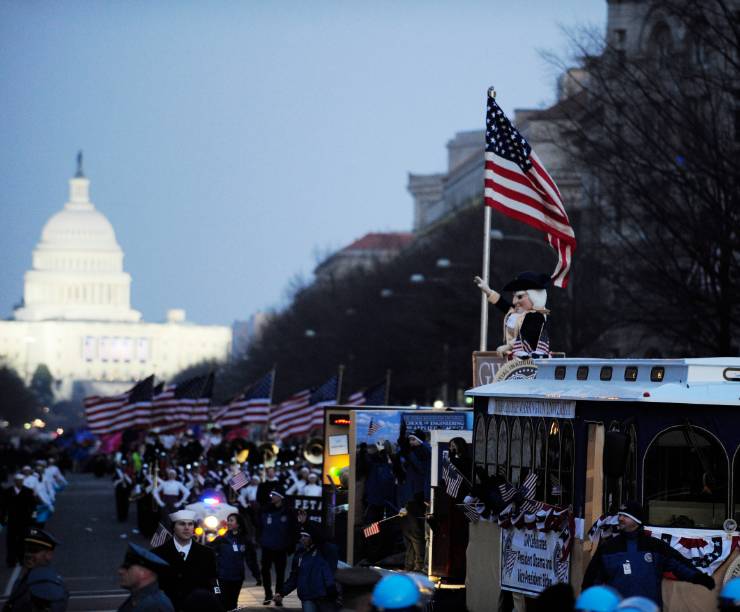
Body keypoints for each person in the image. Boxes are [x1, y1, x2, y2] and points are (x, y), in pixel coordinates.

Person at [582, 501, 715, 607]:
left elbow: (679, 565)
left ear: (637, 520)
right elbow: (592, 579)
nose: (620, 518)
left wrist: (700, 578)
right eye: (620, 515)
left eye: (625, 515)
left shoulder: (655, 546)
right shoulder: (608, 548)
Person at [150, 509, 218, 612]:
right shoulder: (158, 553)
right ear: (173, 528)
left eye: (190, 524)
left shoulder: (206, 553)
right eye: (182, 524)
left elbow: (213, 580)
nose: (187, 528)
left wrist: (216, 600)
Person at [474, 271, 551, 359]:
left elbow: (526, 335)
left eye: (520, 297)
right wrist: (488, 291)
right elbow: (502, 303)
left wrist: (508, 346)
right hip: (514, 358)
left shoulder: (536, 316)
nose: (514, 301)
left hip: (531, 360)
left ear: (534, 297)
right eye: (513, 296)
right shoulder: (516, 313)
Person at [3, 527, 69, 612]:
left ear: (49, 555)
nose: (28, 554)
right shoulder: (21, 581)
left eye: (34, 550)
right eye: (26, 549)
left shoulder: (50, 586)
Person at [274, 527, 335, 612]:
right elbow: (294, 578)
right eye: (301, 536)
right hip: (307, 597)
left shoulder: (322, 551)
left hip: (323, 597)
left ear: (312, 538)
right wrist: (282, 592)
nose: (302, 538)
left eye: (305, 536)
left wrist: (331, 590)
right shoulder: (299, 555)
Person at [210, 513, 261, 611]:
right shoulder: (221, 539)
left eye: (231, 520)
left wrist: (257, 575)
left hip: (237, 578)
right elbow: (207, 551)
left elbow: (251, 560)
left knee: (233, 604)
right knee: (221, 602)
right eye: (228, 520)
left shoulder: (245, 540)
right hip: (222, 577)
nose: (228, 522)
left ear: (238, 524)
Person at [259, 489, 297, 606]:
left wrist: (290, 545)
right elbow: (260, 525)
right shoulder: (266, 510)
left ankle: (278, 596)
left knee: (280, 573)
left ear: (281, 497)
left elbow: (293, 530)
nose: (272, 497)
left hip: (281, 547)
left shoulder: (288, 512)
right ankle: (267, 594)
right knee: (265, 571)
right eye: (272, 495)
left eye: (275, 495)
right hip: (267, 547)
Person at [117, 543, 174, 612]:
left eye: (127, 567)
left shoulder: (156, 606)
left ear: (143, 573)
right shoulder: (138, 599)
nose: (120, 571)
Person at [2, 473, 37, 568]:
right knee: (11, 541)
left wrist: (33, 518)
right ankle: (11, 560)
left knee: (22, 541)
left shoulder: (28, 491)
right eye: (17, 481)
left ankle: (22, 559)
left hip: (24, 520)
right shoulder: (8, 492)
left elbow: (34, 507)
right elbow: (3, 507)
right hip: (12, 520)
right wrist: (3, 518)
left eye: (21, 481)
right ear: (15, 481)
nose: (19, 483)